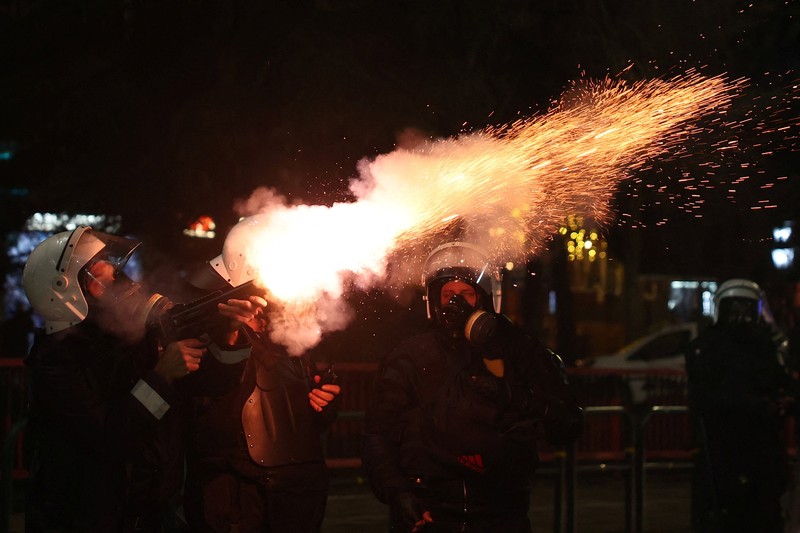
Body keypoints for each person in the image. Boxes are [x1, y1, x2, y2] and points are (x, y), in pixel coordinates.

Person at [22, 225, 265, 532]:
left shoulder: (126, 338)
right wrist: (162, 375)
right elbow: (110, 440)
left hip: (152, 515)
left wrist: (229, 332)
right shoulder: (55, 362)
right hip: (83, 521)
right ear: (68, 290)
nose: (115, 273)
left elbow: (212, 384)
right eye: (100, 268)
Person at [361, 241, 584, 533]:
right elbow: (378, 434)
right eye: (448, 295)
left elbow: (568, 422)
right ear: (432, 301)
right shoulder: (410, 358)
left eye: (466, 294)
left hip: (503, 513)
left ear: (486, 299)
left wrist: (513, 396)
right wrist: (398, 493)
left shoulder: (521, 350)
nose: (456, 303)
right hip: (430, 515)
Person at [180, 254, 342, 533]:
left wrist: (323, 405)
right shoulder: (204, 341)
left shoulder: (291, 344)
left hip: (295, 498)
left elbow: (299, 428)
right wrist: (228, 338)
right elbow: (210, 405)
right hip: (235, 499)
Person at [685, 278, 793, 533]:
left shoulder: (764, 345)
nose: (741, 317)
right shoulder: (708, 347)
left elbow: (782, 383)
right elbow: (707, 397)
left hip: (756, 455)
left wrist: (785, 402)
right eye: (735, 310)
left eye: (746, 310)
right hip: (721, 455)